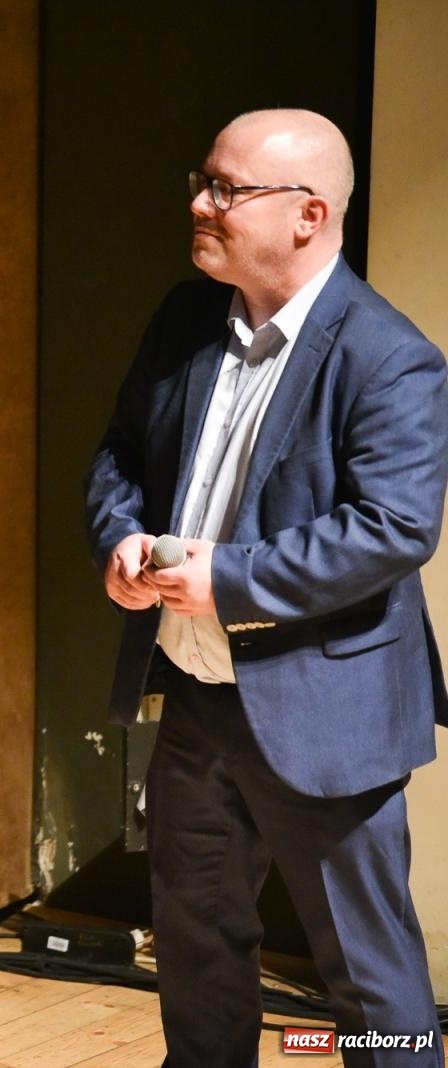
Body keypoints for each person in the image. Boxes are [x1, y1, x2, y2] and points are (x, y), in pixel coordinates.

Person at [85, 108, 448, 1066]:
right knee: (196, 959)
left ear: (308, 214)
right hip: (197, 700)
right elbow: (121, 455)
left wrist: (229, 576)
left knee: (372, 984)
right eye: (203, 181)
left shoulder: (389, 356)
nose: (200, 204)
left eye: (228, 191)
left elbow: (396, 528)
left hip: (327, 710)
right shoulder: (184, 318)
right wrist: (120, 537)